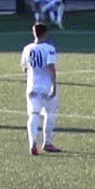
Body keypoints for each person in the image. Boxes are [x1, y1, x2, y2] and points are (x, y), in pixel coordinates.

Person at [21, 22, 60, 155]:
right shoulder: (49, 48)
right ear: (45, 33)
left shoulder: (27, 49)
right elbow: (51, 68)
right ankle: (47, 142)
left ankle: (33, 143)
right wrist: (54, 86)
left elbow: (25, 68)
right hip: (46, 86)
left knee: (33, 114)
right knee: (50, 114)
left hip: (32, 86)